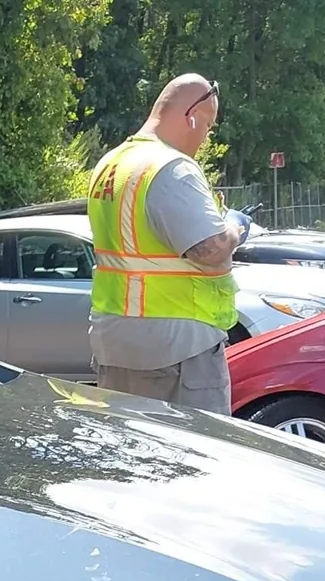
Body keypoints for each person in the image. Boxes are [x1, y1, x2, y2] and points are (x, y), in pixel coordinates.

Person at [86, 74, 241, 414]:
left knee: (129, 443)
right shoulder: (172, 168)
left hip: (116, 343)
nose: (206, 138)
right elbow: (210, 249)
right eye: (208, 126)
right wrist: (235, 227)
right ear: (192, 117)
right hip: (177, 351)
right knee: (198, 445)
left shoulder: (111, 163)